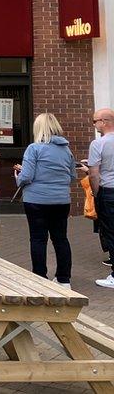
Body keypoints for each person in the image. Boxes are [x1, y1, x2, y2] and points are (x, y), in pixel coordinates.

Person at [14, 113, 77, 289]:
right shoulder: (67, 150)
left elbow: (26, 176)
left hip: (36, 200)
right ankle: (64, 279)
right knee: (61, 238)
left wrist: (18, 177)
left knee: (38, 239)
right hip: (61, 200)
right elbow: (72, 176)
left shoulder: (34, 148)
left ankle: (39, 277)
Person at [90, 108, 114, 288]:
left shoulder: (98, 144)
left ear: (104, 122)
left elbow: (94, 174)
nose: (94, 125)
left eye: (95, 121)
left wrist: (96, 192)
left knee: (111, 232)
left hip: (108, 191)